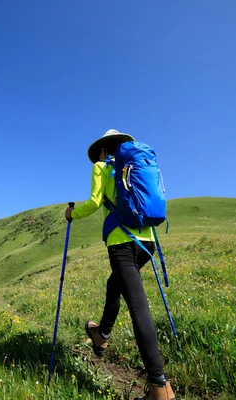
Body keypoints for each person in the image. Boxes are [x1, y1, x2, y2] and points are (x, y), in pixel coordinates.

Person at [65, 129, 176, 400]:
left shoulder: (102, 167)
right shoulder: (136, 167)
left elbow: (93, 203)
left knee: (137, 304)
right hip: (147, 243)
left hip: (122, 243)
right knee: (114, 284)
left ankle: (159, 387)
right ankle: (101, 335)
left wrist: (71, 214)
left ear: (103, 149)